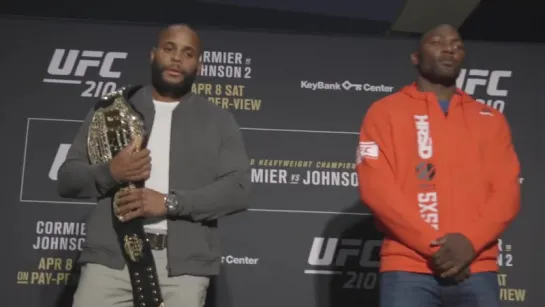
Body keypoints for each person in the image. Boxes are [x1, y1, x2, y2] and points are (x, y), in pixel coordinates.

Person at [57, 24, 252, 307]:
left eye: (187, 53)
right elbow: (67, 179)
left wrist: (170, 203)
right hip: (110, 260)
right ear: (152, 55)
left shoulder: (219, 121)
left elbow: (239, 189)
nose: (176, 59)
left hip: (182, 270)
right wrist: (111, 172)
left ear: (198, 64)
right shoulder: (112, 109)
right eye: (169, 49)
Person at [355, 24, 520, 307]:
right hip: (408, 266)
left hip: (476, 264)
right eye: (437, 42)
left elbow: (507, 192)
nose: (449, 49)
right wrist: (437, 247)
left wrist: (469, 243)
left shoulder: (490, 118)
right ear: (415, 57)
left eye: (457, 45)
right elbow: (377, 189)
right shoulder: (385, 112)